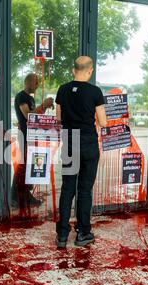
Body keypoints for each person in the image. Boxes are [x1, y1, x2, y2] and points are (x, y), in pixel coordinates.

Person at [55, 56, 108, 249]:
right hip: (87, 143)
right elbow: (102, 122)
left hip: (70, 141)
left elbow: (59, 117)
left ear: (73, 70)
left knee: (68, 187)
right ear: (90, 70)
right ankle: (83, 232)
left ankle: (61, 234)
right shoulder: (95, 91)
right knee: (84, 189)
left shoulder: (62, 89)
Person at [11, 73, 54, 209]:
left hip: (31, 135)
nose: (37, 86)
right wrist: (44, 104)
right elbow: (28, 115)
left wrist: (45, 107)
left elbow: (34, 116)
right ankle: (16, 196)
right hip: (25, 135)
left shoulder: (29, 98)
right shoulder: (21, 96)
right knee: (23, 165)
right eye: (36, 83)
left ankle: (23, 194)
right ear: (28, 82)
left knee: (28, 164)